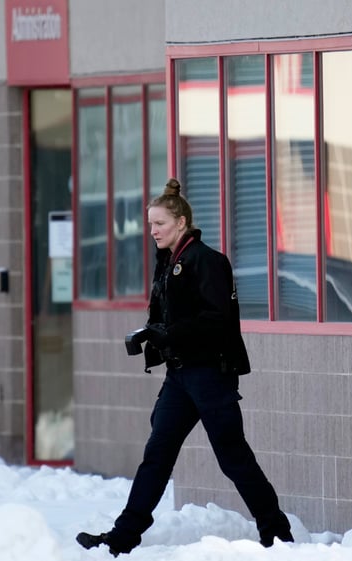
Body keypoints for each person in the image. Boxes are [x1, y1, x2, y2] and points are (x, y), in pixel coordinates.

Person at [77, 178, 293, 557]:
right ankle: (122, 538)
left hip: (210, 375)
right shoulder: (169, 262)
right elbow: (173, 318)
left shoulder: (207, 261)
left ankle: (277, 535)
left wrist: (167, 334)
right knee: (156, 456)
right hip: (180, 377)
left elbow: (217, 319)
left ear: (180, 222)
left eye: (158, 224)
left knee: (233, 458)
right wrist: (152, 335)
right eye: (149, 225)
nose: (153, 231)